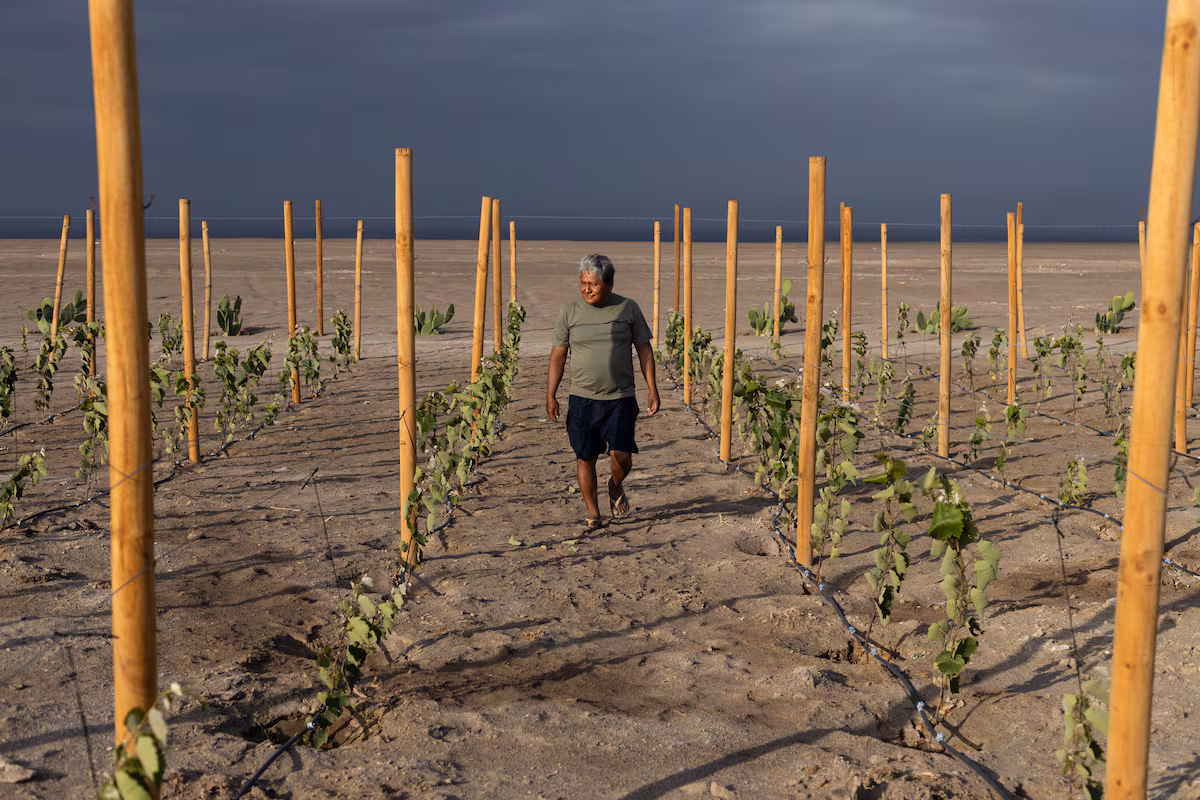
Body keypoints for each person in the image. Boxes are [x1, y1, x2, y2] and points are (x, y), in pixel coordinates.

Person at [547, 254, 660, 531]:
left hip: (620, 398)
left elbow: (644, 350)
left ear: (609, 284)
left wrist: (652, 389)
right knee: (585, 457)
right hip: (582, 398)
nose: (586, 289)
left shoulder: (628, 308)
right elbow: (558, 356)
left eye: (593, 284)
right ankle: (593, 512)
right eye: (583, 283)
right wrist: (551, 394)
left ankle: (615, 484)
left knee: (622, 455)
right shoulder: (569, 311)